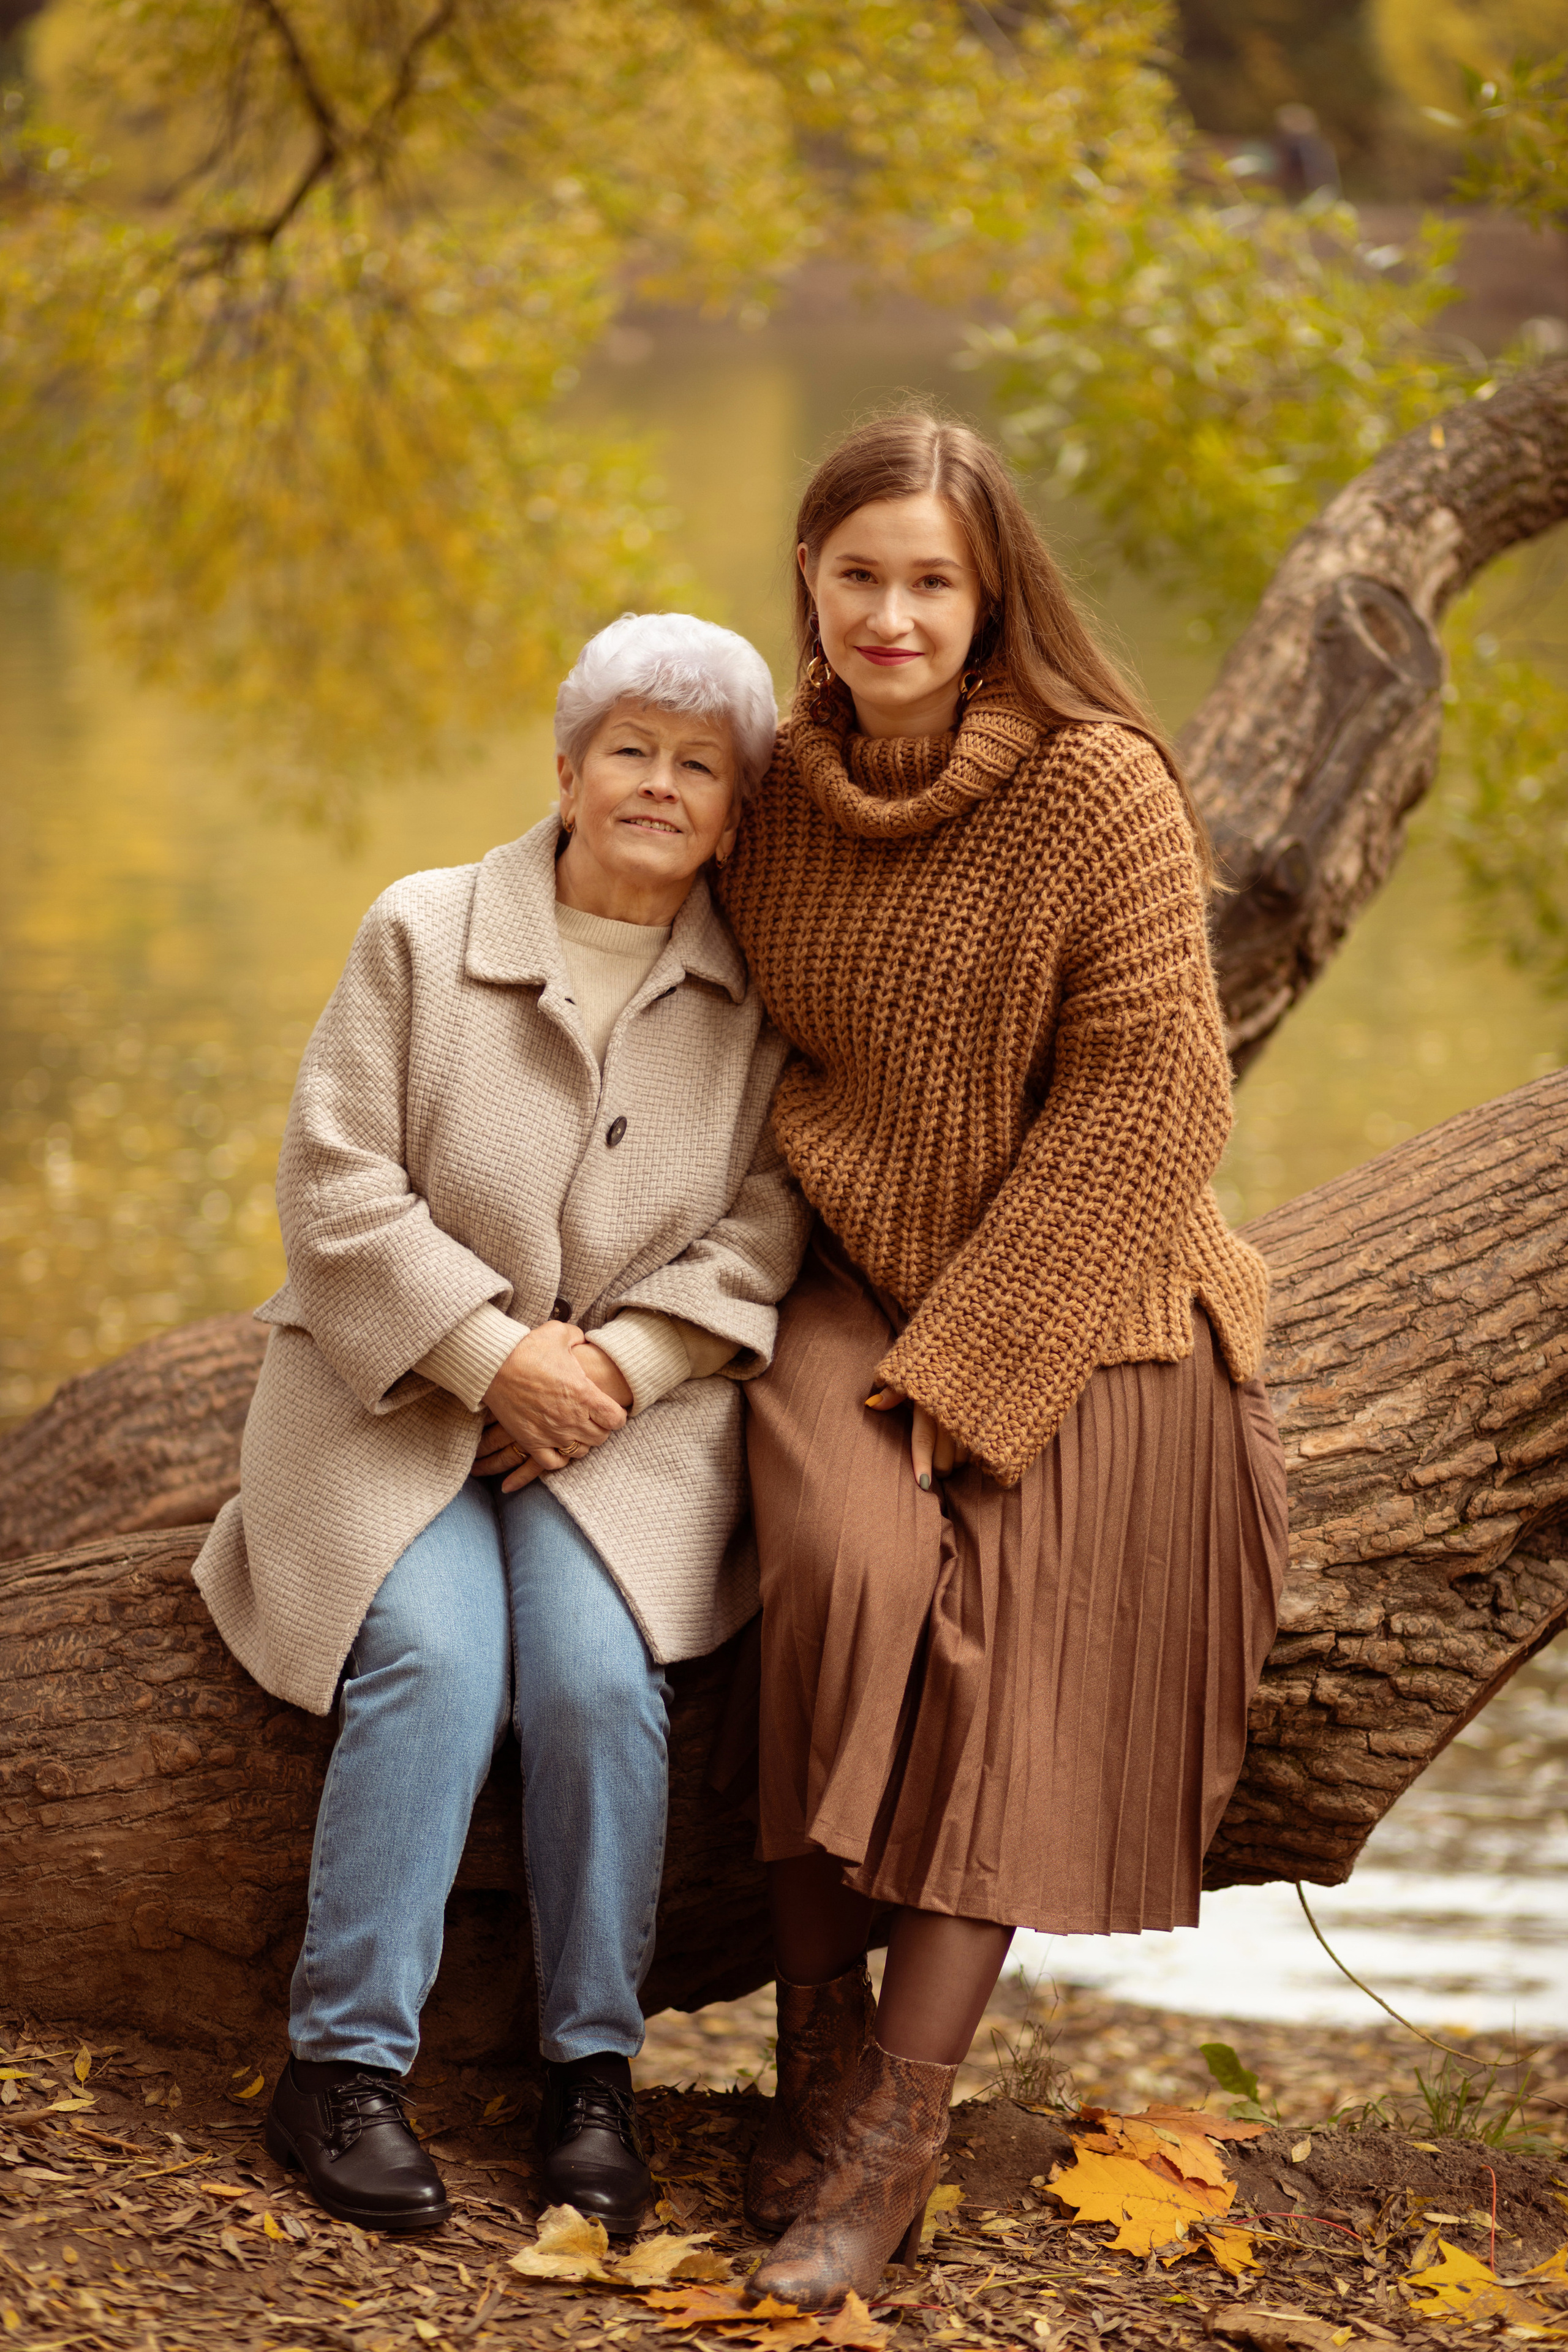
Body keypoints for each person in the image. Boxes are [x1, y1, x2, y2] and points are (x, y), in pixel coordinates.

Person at [716, 414, 1289, 2308]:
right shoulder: (769, 790)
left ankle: (889, 2133)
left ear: (992, 598)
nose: (893, 612)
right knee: (839, 1569)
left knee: (1022, 1635)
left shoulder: (1095, 788)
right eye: (860, 572)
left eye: (932, 581)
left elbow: (1158, 1092)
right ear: (809, 579)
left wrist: (979, 1373)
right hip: (855, 1279)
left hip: (1098, 1293)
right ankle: (812, 2039)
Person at [194, 612, 809, 2237]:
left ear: (738, 810)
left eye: (699, 766)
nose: (659, 786)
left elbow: (761, 1227)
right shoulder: (421, 929)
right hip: (386, 1399)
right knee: (442, 1661)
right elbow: (334, 1188)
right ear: (565, 768)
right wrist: (488, 1356)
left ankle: (591, 2077)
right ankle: (337, 2070)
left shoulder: (757, 1002)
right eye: (630, 750)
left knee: (603, 1682)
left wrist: (621, 1373)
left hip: (620, 1429)